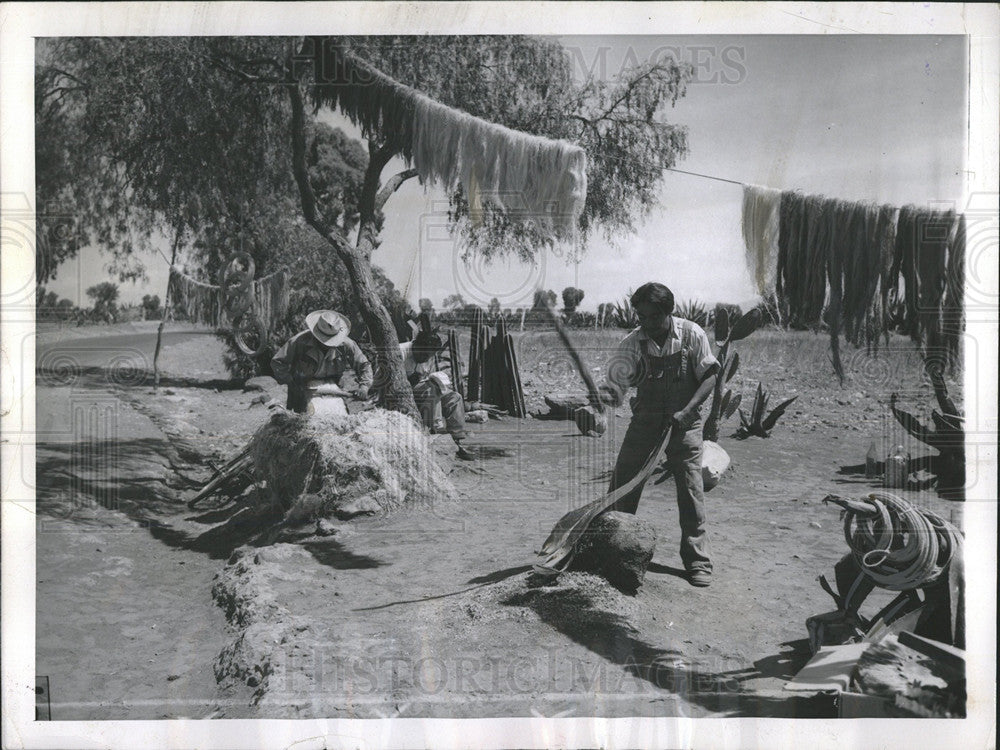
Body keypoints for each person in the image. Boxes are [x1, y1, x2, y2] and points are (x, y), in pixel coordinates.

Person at [598, 282, 720, 587]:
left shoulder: (692, 334)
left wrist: (689, 409)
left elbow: (711, 375)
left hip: (685, 423)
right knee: (623, 483)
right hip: (646, 422)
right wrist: (602, 401)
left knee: (691, 490)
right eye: (641, 317)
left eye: (654, 317)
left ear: (669, 312)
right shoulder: (631, 343)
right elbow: (615, 390)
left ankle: (697, 560)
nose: (647, 324)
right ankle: (612, 551)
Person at [271, 310, 374, 414]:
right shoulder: (299, 341)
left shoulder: (347, 345)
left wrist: (364, 386)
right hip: (302, 386)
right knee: (300, 423)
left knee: (339, 419)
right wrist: (291, 382)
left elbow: (364, 365)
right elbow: (277, 362)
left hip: (334, 385)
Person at [400, 328, 474, 460]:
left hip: (425, 389)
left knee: (455, 397)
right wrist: (409, 380)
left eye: (429, 356)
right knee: (431, 391)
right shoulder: (400, 351)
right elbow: (386, 381)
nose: (426, 358)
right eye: (424, 355)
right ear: (416, 345)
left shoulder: (428, 355)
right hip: (405, 392)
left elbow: (428, 374)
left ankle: (456, 442)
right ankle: (434, 433)